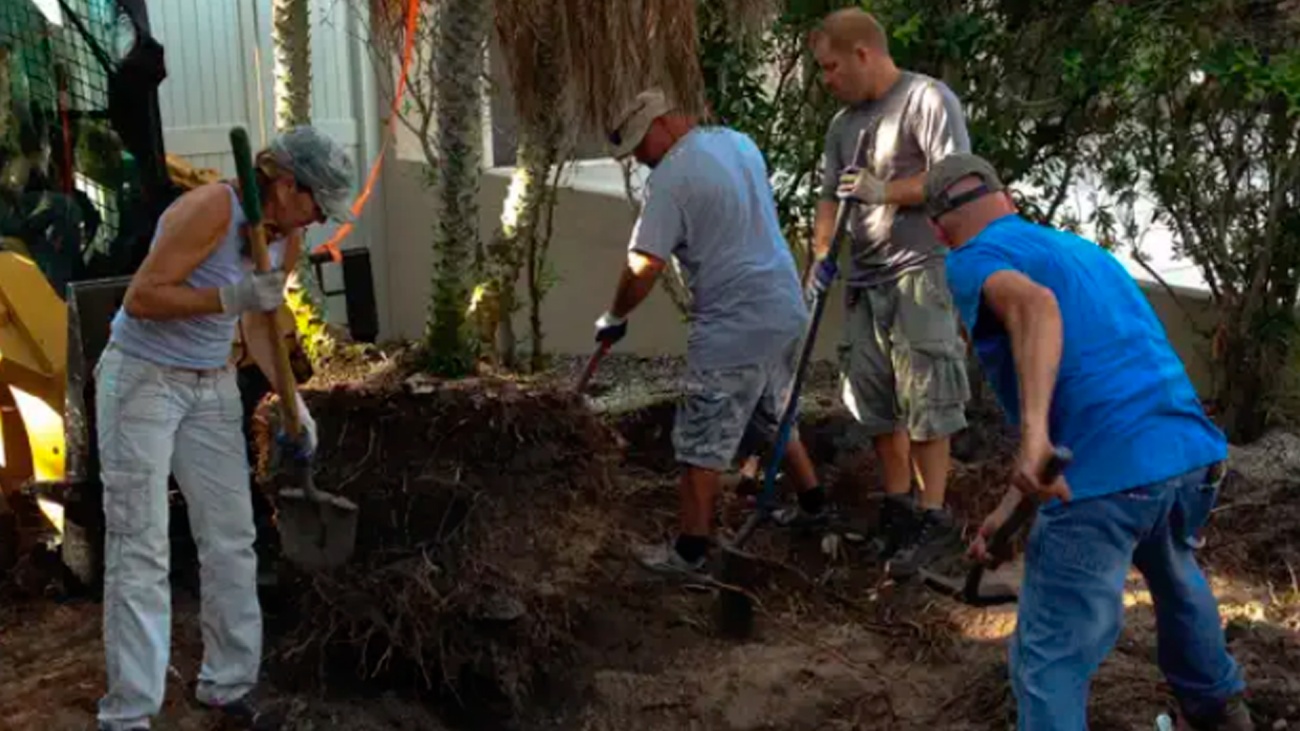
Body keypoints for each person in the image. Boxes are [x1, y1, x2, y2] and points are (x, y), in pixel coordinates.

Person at [927, 152, 1252, 731]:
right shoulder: (1080, 251)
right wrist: (1007, 514)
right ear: (1008, 201)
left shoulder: (971, 259)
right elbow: (1089, 397)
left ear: (937, 230)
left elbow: (1037, 309)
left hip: (1108, 474)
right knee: (1174, 570)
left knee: (1046, 656)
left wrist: (1032, 442)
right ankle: (1220, 708)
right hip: (1187, 457)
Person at [93, 126, 355, 731]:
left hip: (212, 384)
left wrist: (293, 404)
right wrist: (228, 298)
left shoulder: (285, 236)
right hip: (144, 380)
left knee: (232, 536)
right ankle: (128, 715)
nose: (318, 219)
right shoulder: (211, 208)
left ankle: (228, 684)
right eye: (317, 204)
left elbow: (261, 322)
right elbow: (142, 297)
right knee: (141, 545)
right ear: (285, 184)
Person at [596, 88, 826, 577]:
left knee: (701, 437)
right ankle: (813, 503)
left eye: (639, 147)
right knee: (772, 411)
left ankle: (690, 550)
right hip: (783, 306)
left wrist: (615, 315)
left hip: (733, 322)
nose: (640, 160)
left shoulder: (671, 178)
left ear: (661, 124)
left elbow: (644, 264)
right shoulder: (737, 142)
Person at [804, 8, 973, 578]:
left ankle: (934, 518)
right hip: (865, 278)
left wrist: (884, 191)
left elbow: (954, 178)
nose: (826, 79)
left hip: (919, 271)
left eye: (831, 67)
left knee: (927, 397)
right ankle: (899, 509)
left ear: (863, 53)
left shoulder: (927, 100)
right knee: (875, 402)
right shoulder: (841, 126)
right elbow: (828, 197)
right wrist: (821, 256)